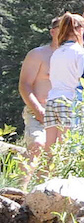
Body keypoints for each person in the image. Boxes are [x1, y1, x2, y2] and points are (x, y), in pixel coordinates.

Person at [17, 16, 62, 156]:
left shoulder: (76, 55)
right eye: (63, 29)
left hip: (64, 115)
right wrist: (38, 111)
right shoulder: (38, 54)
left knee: (55, 157)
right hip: (38, 113)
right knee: (37, 144)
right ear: (52, 32)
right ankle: (21, 178)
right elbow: (24, 85)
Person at [44, 13, 84, 148]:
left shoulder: (57, 52)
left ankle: (43, 169)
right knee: (66, 147)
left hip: (52, 101)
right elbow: (83, 79)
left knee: (50, 148)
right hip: (69, 100)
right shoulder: (80, 52)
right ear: (80, 30)